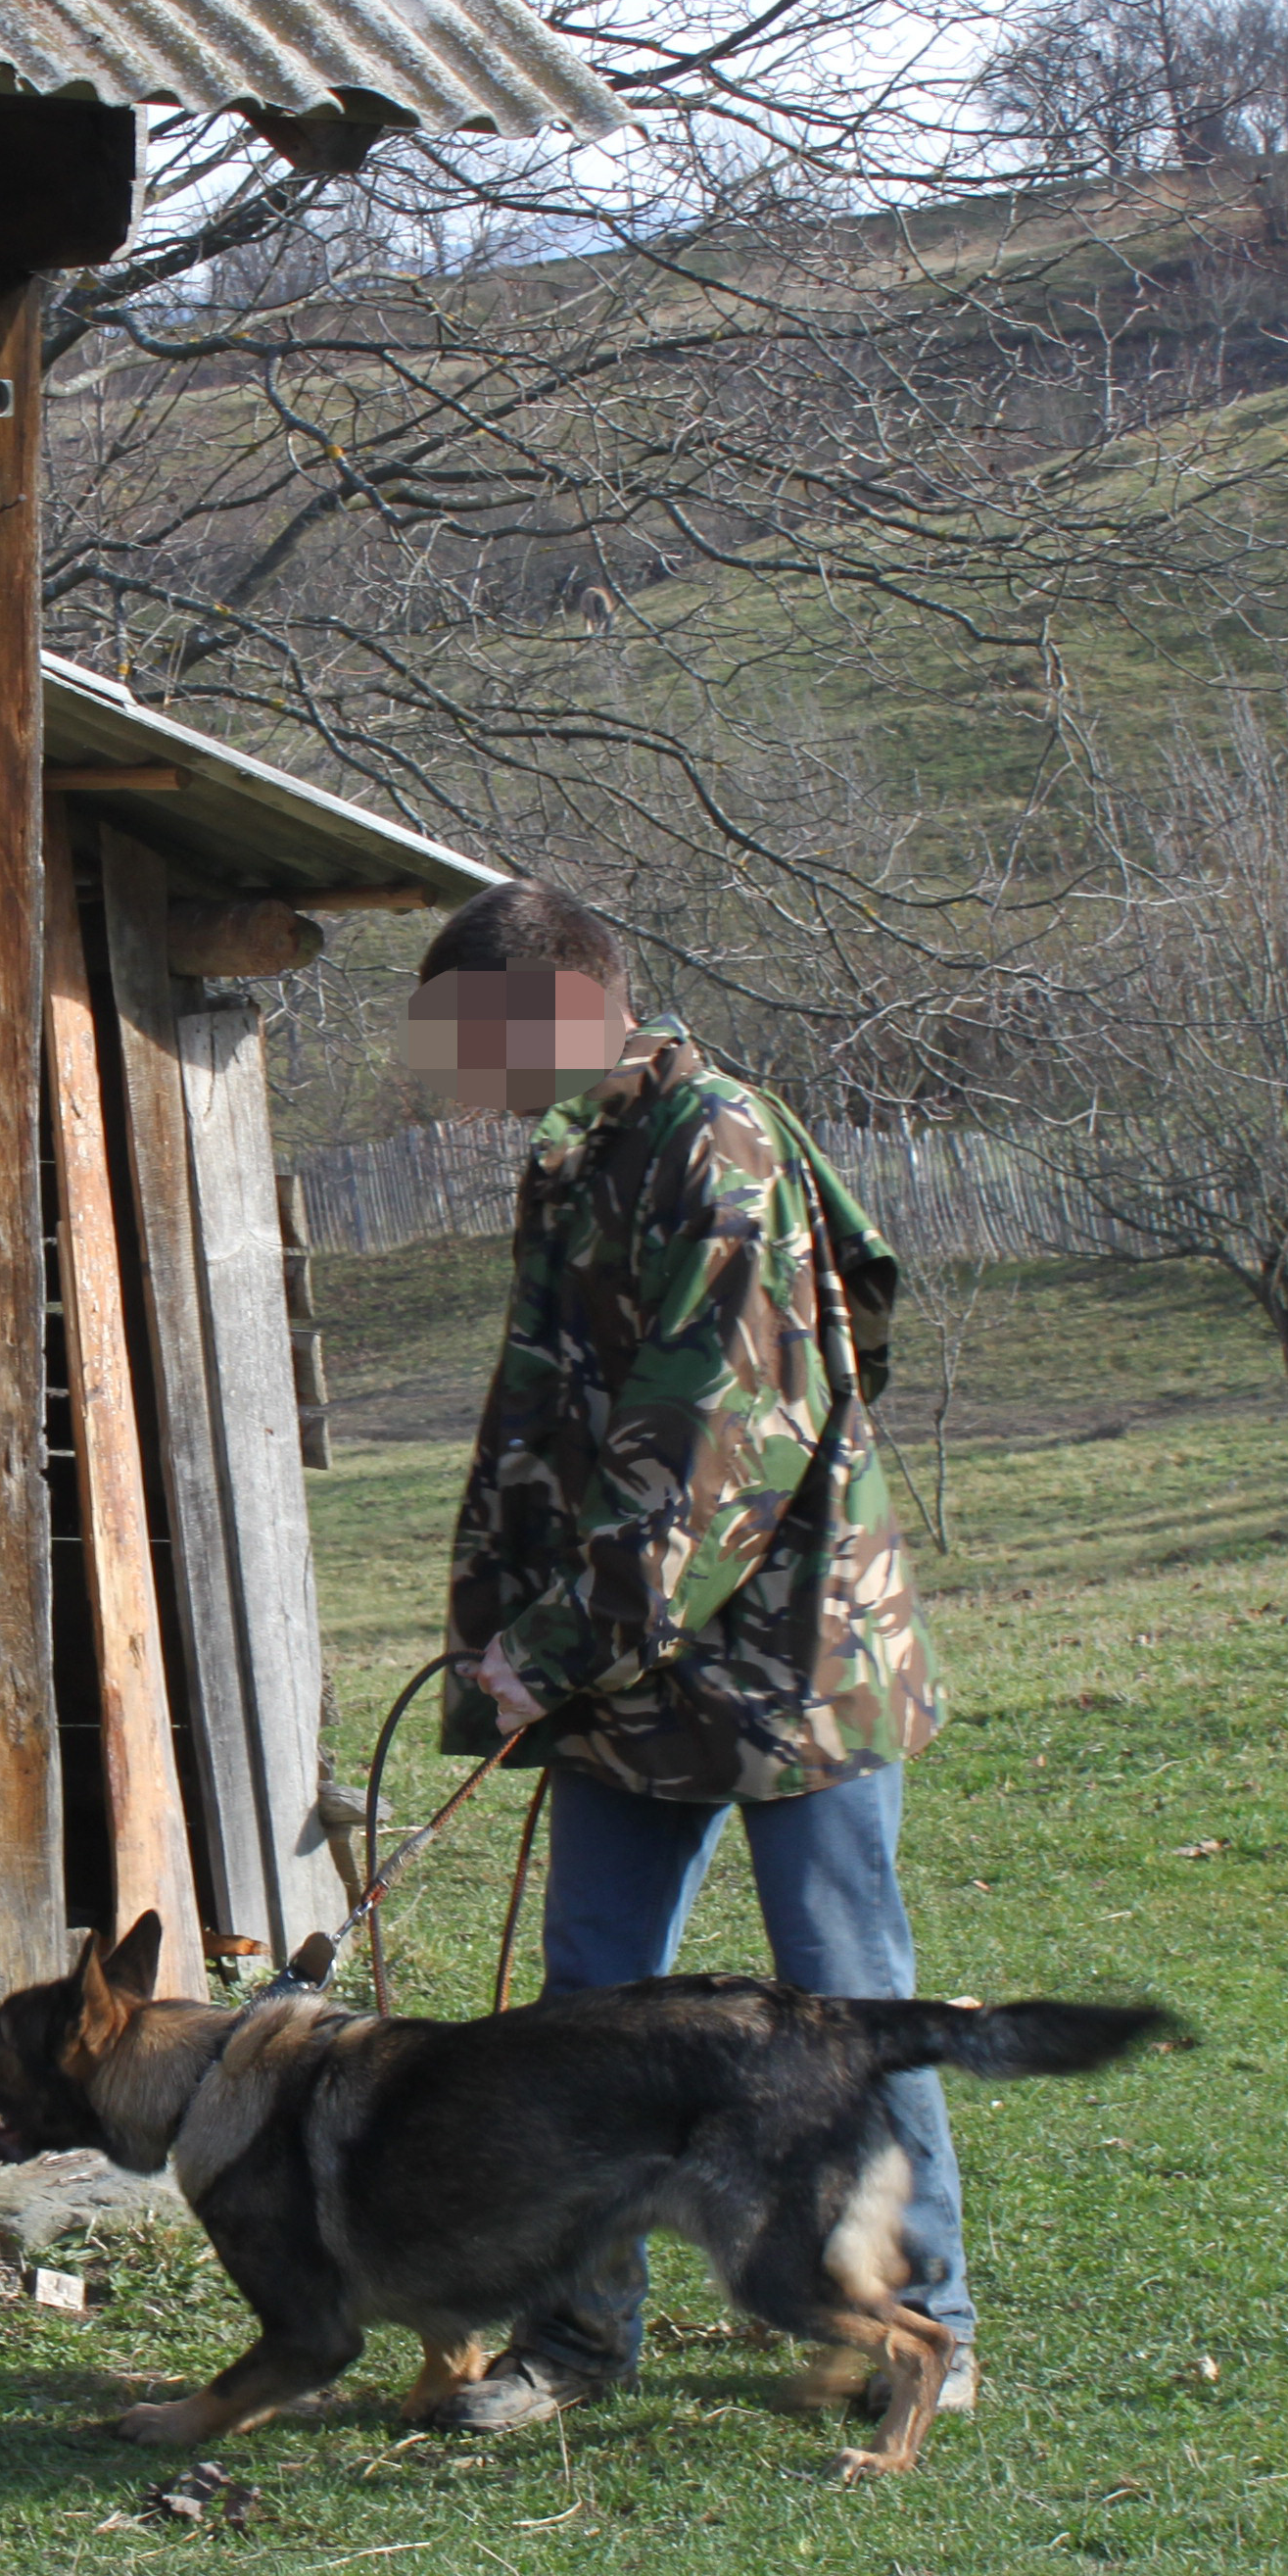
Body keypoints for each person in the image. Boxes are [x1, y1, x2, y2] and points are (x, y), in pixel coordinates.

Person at [406, 876, 963, 2428]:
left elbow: (716, 1441)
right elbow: (543, 1420)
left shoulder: (718, 1146)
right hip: (620, 1668)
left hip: (788, 1665)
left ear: (570, 1005)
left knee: (838, 2004)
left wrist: (560, 1640)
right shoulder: (571, 1158)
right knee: (591, 2009)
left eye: (476, 1035)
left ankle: (925, 2328)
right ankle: (581, 2342)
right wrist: (506, 1635)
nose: (460, 1070)